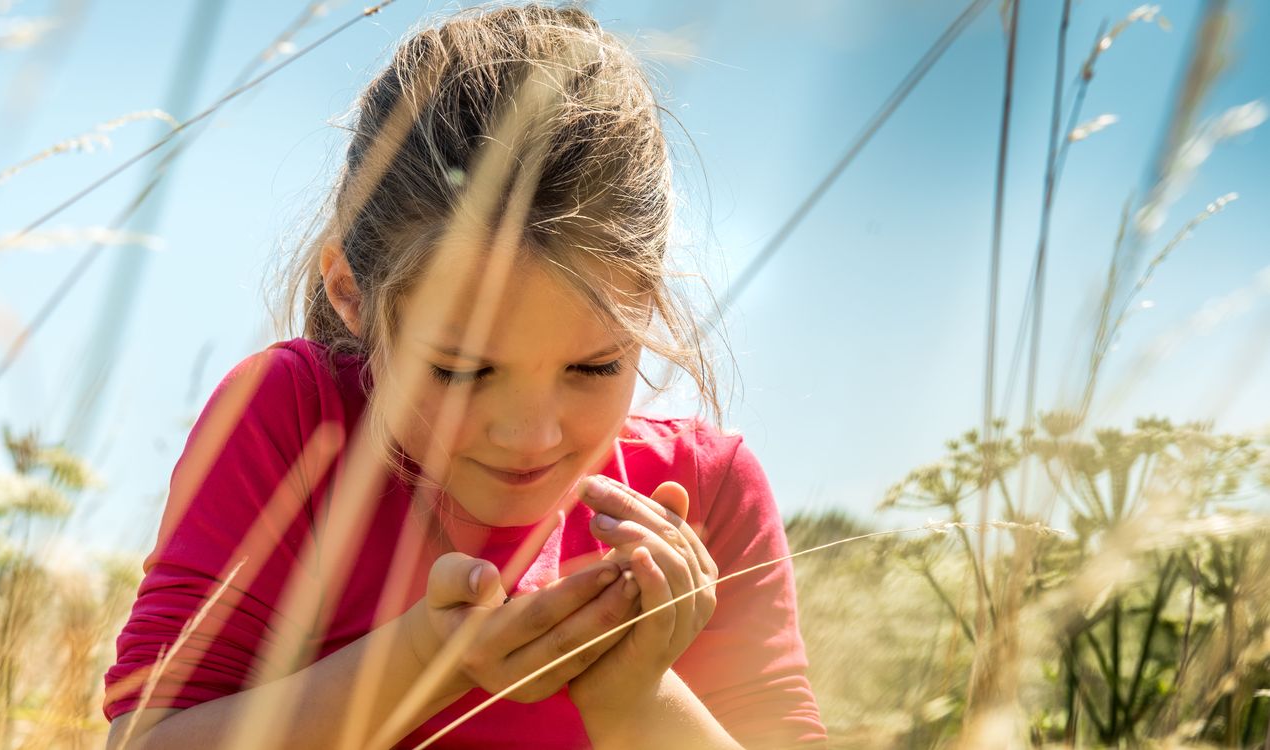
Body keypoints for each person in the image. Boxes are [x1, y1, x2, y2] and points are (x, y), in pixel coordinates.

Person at [103, 3, 826, 748]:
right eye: (462, 370)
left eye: (594, 365)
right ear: (350, 293)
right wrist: (425, 659)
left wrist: (637, 698)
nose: (529, 435)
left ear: (647, 304)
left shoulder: (706, 493)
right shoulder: (296, 421)